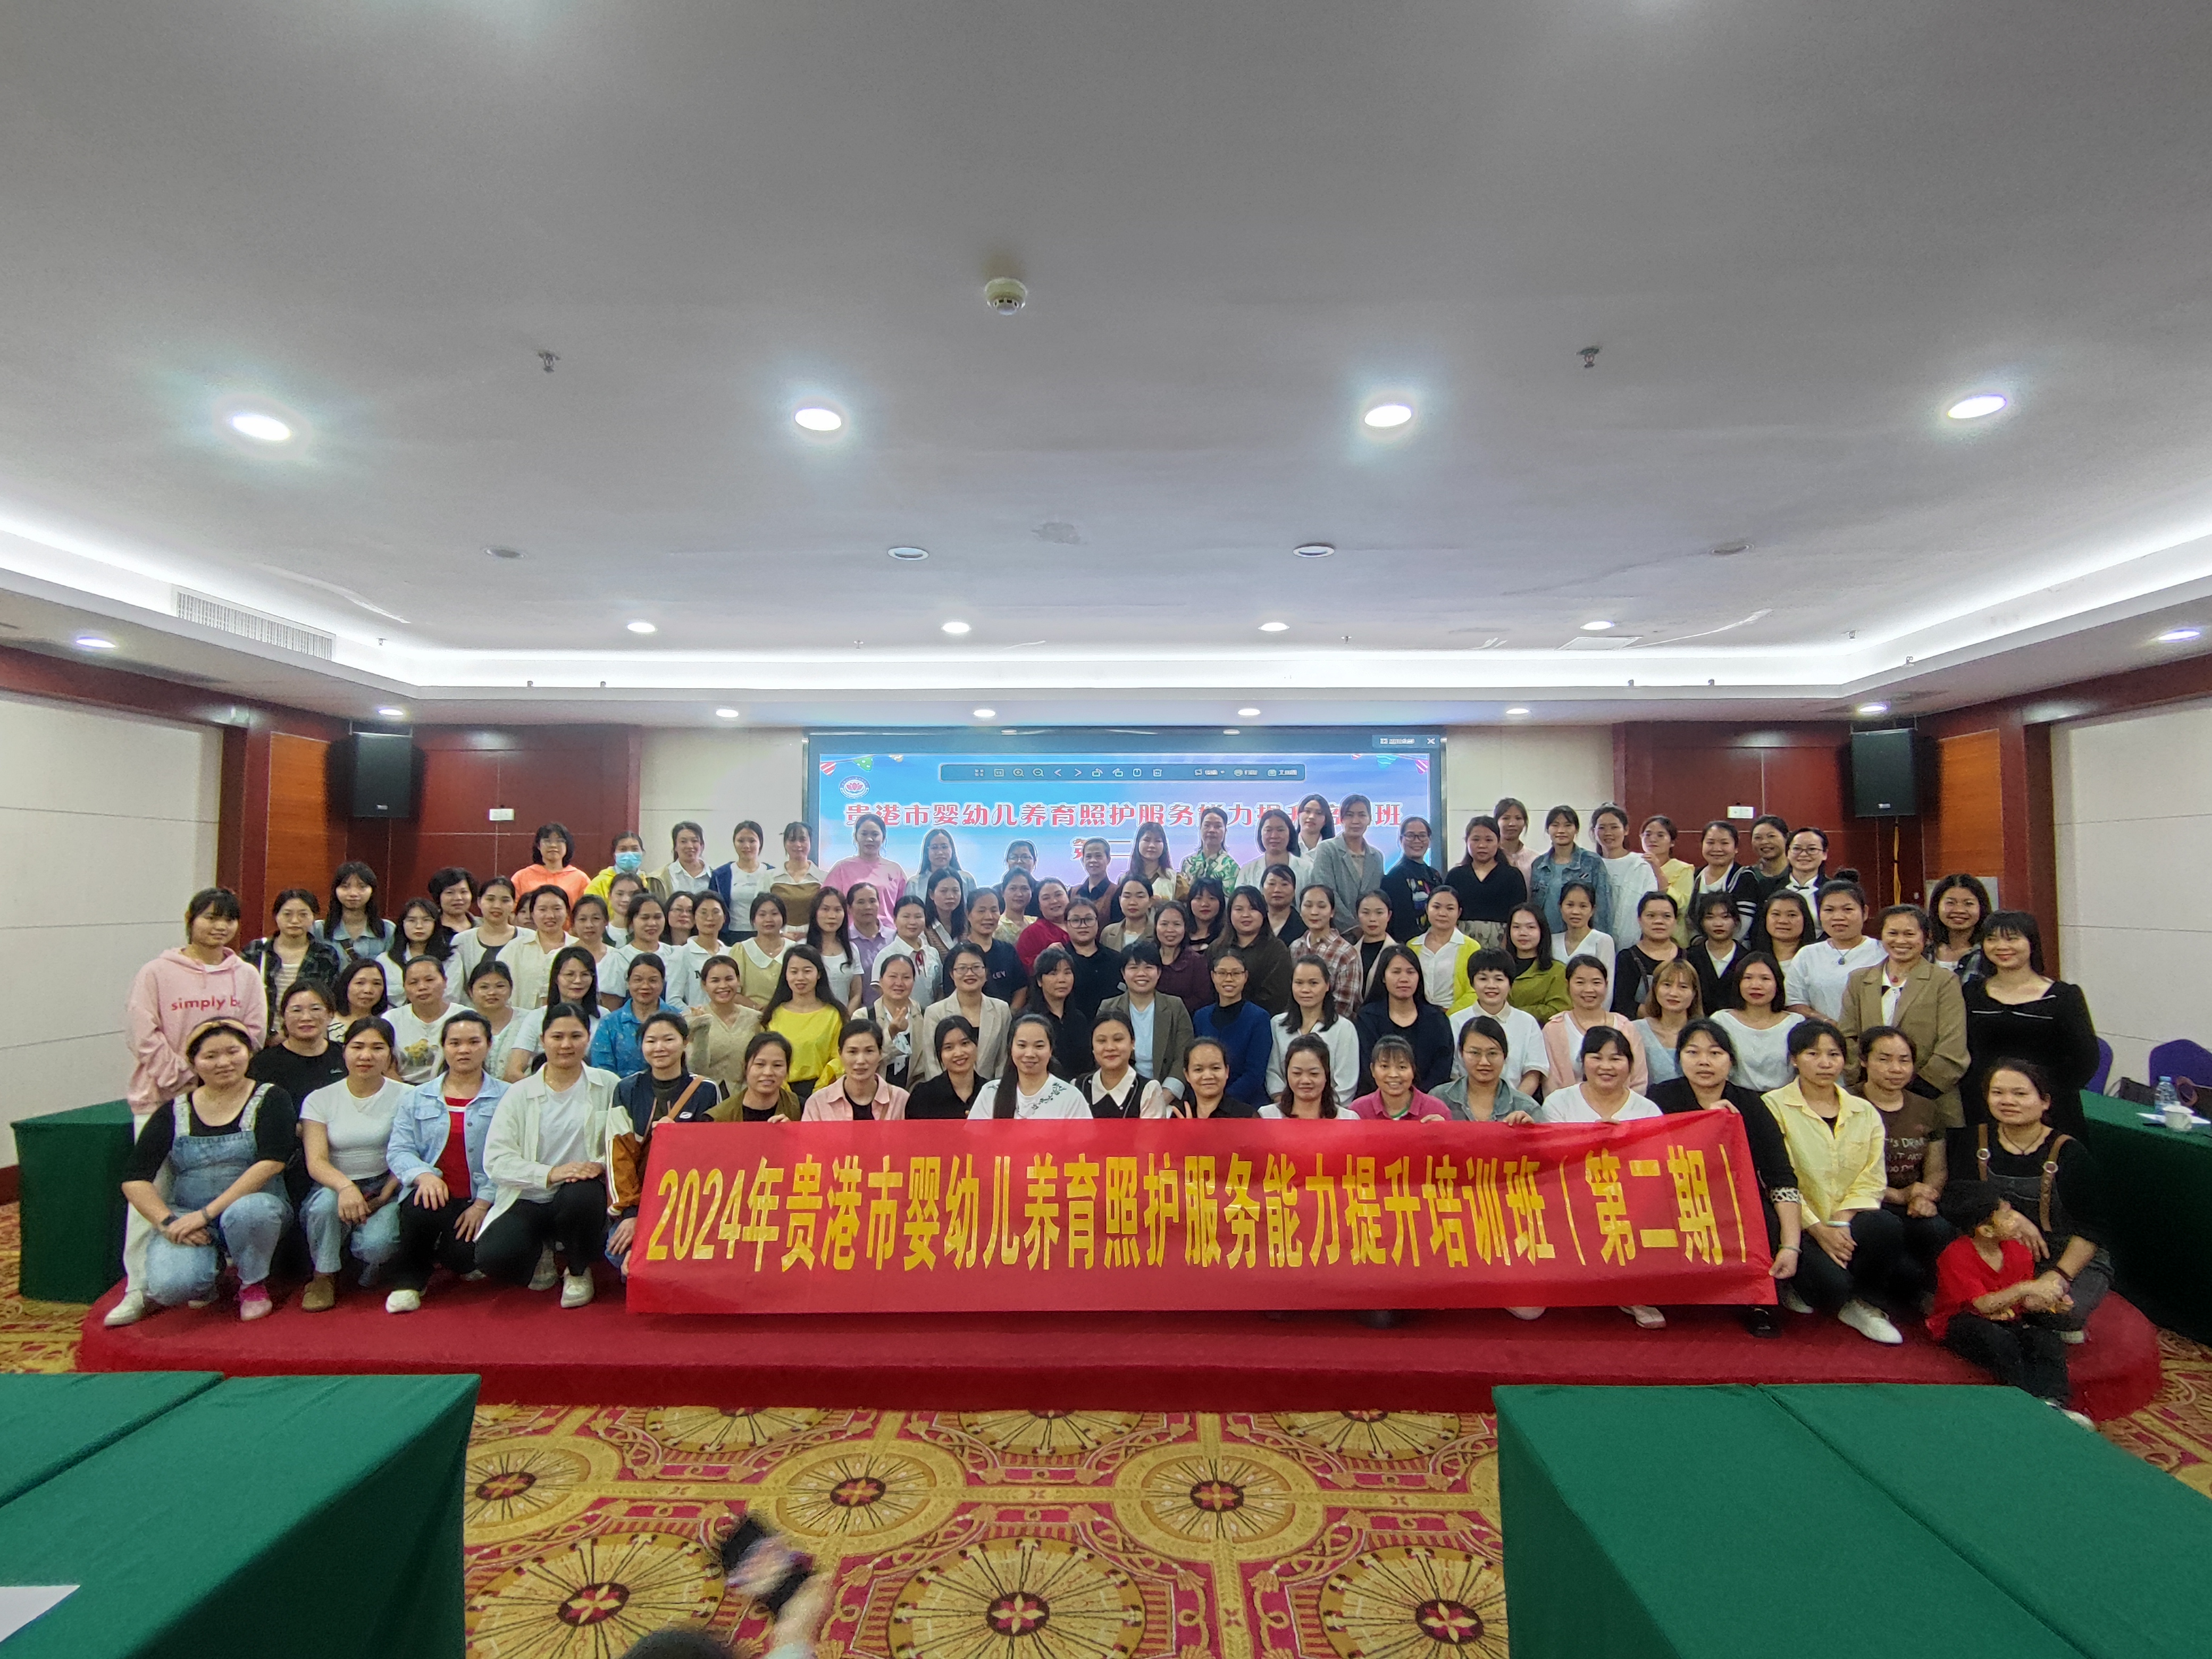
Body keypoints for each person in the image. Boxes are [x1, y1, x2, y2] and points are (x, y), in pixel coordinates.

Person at [116, 1019, 294, 1323]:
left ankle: (252, 1283)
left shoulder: (272, 1098)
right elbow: (135, 1179)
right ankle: (208, 1277)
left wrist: (207, 1214)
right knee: (171, 1287)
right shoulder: (173, 1110)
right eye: (210, 1056)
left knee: (250, 1211)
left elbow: (272, 1162)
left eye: (232, 1052)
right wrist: (167, 1222)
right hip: (189, 1216)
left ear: (249, 1053)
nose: (223, 1063)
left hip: (254, 1211)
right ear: (194, 1063)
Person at [1646, 1018, 1807, 1334]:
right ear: (1679, 1059)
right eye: (1693, 1052)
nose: (1704, 1061)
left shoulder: (1752, 1105)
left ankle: (1758, 1301)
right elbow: (1645, 1161)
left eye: (1715, 1053)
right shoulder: (1659, 1099)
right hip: (1677, 1197)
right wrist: (1706, 1127)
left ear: (1731, 1061)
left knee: (1767, 1221)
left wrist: (1791, 1246)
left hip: (1736, 1201)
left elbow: (1780, 1176)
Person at [1945, 1061, 2110, 1344]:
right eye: (1998, 1093)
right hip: (1992, 1249)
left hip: (2059, 1252)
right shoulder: (1974, 1140)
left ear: (2045, 1101)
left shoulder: (2069, 1153)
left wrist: (2058, 1276)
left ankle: (2023, 1315)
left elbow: (2092, 1228)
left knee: (2060, 1311)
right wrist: (2013, 1216)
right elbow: (1956, 1197)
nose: (2007, 1101)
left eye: (2020, 1094)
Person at [1763, 1019, 1906, 1345]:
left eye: (1833, 1054)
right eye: (1813, 1054)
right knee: (1829, 1288)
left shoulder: (1864, 1111)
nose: (1825, 1063)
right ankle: (1798, 1286)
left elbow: (1873, 1176)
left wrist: (1841, 1222)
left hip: (1847, 1219)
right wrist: (1818, 1229)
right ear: (1794, 1059)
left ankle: (1865, 1304)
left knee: (1886, 1226)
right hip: (1799, 1222)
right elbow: (1776, 1177)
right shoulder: (1773, 1106)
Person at [476, 1002, 618, 1309]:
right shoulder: (518, 1093)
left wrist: (597, 1166)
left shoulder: (609, 1085)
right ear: (542, 1040)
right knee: (493, 1256)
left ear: (588, 1038)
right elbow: (496, 1161)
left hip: (582, 1192)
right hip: (529, 1195)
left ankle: (578, 1270)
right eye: (557, 1037)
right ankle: (542, 1250)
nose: (566, 1045)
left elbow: (623, 1145)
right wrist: (552, 1173)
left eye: (575, 1036)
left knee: (581, 1196)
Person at [1929, 1182, 2087, 1422]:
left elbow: (2026, 1303)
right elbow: (1982, 1305)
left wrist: (2051, 1301)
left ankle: (2055, 1402)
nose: (2016, 1220)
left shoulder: (2017, 1251)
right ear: (1986, 1230)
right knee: (1999, 1341)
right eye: (2007, 1216)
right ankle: (2026, 1399)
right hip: (1963, 1322)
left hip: (2009, 1318)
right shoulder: (1956, 1256)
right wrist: (2025, 1288)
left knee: (2046, 1342)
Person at [381, 1012, 508, 1313]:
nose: (464, 1050)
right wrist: (423, 1175)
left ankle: (456, 1256)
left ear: (489, 1045)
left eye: (474, 1042)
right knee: (419, 1206)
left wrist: (483, 1204)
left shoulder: (508, 1096)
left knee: (465, 1256)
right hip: (435, 1194)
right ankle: (410, 1281)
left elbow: (512, 1155)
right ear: (443, 1047)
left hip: (484, 1198)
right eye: (455, 1043)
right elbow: (399, 1150)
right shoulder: (417, 1097)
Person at [297, 1017, 409, 1309]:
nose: (366, 1056)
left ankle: (366, 1263)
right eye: (357, 1047)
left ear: (390, 1055)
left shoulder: (409, 1096)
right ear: (344, 1051)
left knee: (376, 1245)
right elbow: (316, 1161)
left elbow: (412, 1152)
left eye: (377, 1048)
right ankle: (323, 1276)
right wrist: (346, 1187)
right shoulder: (320, 1099)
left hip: (387, 1185)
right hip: (334, 1184)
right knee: (324, 1205)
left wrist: (386, 1192)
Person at [1961, 910, 2099, 1136]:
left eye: (2012, 939)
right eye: (1992, 939)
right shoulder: (1971, 993)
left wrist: (2037, 1096)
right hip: (1983, 1108)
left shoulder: (2063, 997)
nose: (2002, 946)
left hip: (2050, 1111)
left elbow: (2086, 1060)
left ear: (2032, 943)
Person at [1839, 904, 1971, 1128]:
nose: (1901, 941)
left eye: (1909, 934)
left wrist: (1910, 1091)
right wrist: (1867, 1082)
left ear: (1926, 938)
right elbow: (1848, 1036)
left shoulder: (1944, 981)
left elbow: (1953, 1047)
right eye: (1893, 933)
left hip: (1932, 1098)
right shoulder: (1859, 980)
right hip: (1868, 1099)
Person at [1858, 1023, 1955, 1301]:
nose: (1896, 1069)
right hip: (1866, 1204)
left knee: (1939, 1231)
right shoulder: (1849, 1103)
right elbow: (1844, 1173)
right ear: (1864, 1061)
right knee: (1900, 1264)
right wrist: (1898, 1196)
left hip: (1913, 1202)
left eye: (1904, 1061)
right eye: (1884, 1059)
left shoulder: (1927, 1108)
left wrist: (1925, 1196)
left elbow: (1937, 1168)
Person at [1097, 940, 1194, 1096]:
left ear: (1159, 972)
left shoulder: (1175, 1007)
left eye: (1148, 967)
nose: (1141, 974)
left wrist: (1163, 1097)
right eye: (1133, 968)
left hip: (1166, 1095)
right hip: (1120, 1094)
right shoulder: (1108, 1007)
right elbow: (1102, 1054)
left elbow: (1183, 1056)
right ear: (1123, 973)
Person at [1355, 945, 1454, 1094]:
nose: (1404, 979)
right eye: (1396, 972)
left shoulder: (1437, 1019)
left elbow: (1442, 1069)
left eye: (1411, 972)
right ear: (1383, 977)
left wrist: (1417, 1098)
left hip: (1428, 1100)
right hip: (1379, 1097)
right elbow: (1367, 1068)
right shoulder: (1368, 1018)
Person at [1449, 950, 1548, 1097]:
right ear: (1472, 983)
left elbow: (1533, 1073)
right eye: (1483, 979)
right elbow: (1454, 1073)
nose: (1491, 985)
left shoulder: (1527, 1022)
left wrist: (1513, 1103)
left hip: (1516, 1105)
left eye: (1499, 979)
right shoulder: (1456, 1021)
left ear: (1510, 983)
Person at [1783, 878, 1884, 1020]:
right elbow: (1794, 1002)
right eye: (1829, 910)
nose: (1838, 917)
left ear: (1865, 912)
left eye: (1848, 910)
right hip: (1824, 1032)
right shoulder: (1807, 955)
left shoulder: (1882, 951)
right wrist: (1826, 1022)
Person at [1543, 956, 1649, 1091]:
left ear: (1606, 985)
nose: (1589, 990)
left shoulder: (1625, 1027)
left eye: (1596, 983)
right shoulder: (1554, 1029)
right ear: (1567, 985)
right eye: (1580, 983)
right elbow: (1552, 1083)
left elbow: (1639, 1080)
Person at [911, 943, 1012, 1081]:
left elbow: (1003, 1059)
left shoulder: (1001, 1009)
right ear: (952, 974)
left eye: (976, 967)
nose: (970, 974)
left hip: (990, 1089)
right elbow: (932, 1062)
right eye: (962, 968)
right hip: (946, 1091)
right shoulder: (935, 1013)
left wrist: (993, 1090)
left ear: (986, 972)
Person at [1267, 959, 1361, 1100]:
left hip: (1331, 1110)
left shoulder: (1344, 1029)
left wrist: (1320, 1109)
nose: (1305, 990)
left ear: (1328, 985)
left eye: (1313, 983)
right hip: (1284, 1107)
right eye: (1299, 983)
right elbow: (1273, 1073)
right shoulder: (1277, 1024)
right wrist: (1285, 1105)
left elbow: (1345, 1085)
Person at [504, 948, 603, 1080]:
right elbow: (513, 1072)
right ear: (556, 978)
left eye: (585, 975)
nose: (578, 981)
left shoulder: (604, 1017)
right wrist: (544, 1088)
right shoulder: (537, 1017)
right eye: (570, 974)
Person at [241, 887, 343, 1012]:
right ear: (276, 916)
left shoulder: (325, 955)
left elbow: (331, 999)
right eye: (287, 914)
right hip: (262, 1022)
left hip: (307, 1021)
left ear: (314, 917)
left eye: (303, 915)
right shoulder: (256, 950)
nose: (295, 921)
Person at [1712, 953, 1803, 1091]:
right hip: (1735, 1098)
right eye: (1748, 978)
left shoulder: (1796, 1023)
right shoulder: (1721, 1021)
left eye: (1765, 979)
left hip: (1785, 1098)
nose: (1756, 985)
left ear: (1778, 984)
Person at [973, 1014, 1092, 1118]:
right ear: (1011, 1048)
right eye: (1022, 1046)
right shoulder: (990, 1092)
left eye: (1039, 1046)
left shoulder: (1070, 1097)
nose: (1030, 1054)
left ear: (1051, 1050)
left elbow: (1083, 1138)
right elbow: (974, 1136)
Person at [761, 946, 843, 1099]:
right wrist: (786, 1092)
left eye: (807, 971)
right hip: (779, 1092)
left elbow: (838, 1058)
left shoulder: (833, 1015)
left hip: (823, 1092)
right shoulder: (774, 1014)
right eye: (794, 972)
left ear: (819, 974)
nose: (800, 978)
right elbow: (766, 1057)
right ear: (786, 975)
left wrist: (819, 1091)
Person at [249, 980, 348, 1104]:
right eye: (297, 1010)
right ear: (283, 1016)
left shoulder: (345, 1056)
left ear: (331, 1015)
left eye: (315, 1009)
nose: (306, 1018)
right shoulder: (263, 1063)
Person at [1193, 952, 1272, 1105]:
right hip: (1204, 1101)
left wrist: (1222, 1102)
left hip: (1246, 1104)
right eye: (1222, 973)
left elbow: (1255, 1074)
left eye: (1236, 973)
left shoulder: (1259, 1018)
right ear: (1213, 976)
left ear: (1245, 976)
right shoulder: (1201, 1017)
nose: (1229, 979)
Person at [1435, 1016, 1541, 1122]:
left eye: (1492, 1053)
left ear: (1505, 1055)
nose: (1484, 1062)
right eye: (1475, 1053)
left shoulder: (1527, 1108)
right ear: (1461, 1054)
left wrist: (1530, 1129)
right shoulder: (1439, 1098)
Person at [1527, 805, 1613, 937]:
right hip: (1545, 937)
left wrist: (1600, 940)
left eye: (1568, 825)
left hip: (1581, 937)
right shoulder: (1539, 864)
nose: (1561, 831)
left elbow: (1602, 907)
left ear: (1576, 829)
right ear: (1548, 830)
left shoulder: (1592, 862)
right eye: (1555, 825)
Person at [591, 952, 682, 1076]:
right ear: (628, 983)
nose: (645, 986)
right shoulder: (610, 1023)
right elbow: (602, 1070)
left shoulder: (679, 1018)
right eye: (638, 980)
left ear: (663, 983)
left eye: (653, 980)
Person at [1310, 794, 1386, 940]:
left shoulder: (1377, 857)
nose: (1356, 821)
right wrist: (1353, 927)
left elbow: (1376, 897)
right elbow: (1326, 893)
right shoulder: (1327, 849)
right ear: (1341, 819)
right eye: (1350, 815)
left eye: (1362, 815)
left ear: (1370, 819)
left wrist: (1367, 926)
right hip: (1334, 934)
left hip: (1370, 934)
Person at [1447, 813, 1528, 950]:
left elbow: (1518, 915)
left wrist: (1505, 948)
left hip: (1503, 943)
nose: (1482, 845)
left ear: (1499, 842)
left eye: (1489, 840)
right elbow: (1448, 912)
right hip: (1462, 942)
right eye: (1476, 839)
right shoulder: (1455, 876)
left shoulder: (1513, 876)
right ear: (1466, 841)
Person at [685, 954, 764, 1094]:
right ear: (704, 985)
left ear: (738, 981)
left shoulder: (756, 1019)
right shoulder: (692, 1019)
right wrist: (701, 1027)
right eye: (715, 981)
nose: (723, 986)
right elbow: (694, 1069)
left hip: (746, 1096)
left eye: (729, 979)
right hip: (703, 1096)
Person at [803, 1019, 910, 1120]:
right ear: (840, 1054)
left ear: (880, 1054)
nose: (861, 1061)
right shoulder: (818, 1104)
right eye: (852, 1052)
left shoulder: (901, 1100)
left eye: (869, 1051)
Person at [1211, 886, 1294, 1014]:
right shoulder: (1216, 948)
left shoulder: (1277, 949)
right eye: (1239, 909)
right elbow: (1207, 989)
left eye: (1253, 909)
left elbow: (1277, 997)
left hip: (1261, 1018)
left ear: (1264, 913)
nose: (1246, 915)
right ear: (1229, 913)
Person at [1591, 805, 1661, 947]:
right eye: (1602, 828)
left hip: (1635, 943)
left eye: (1614, 827)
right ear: (1594, 832)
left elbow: (1651, 906)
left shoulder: (1641, 864)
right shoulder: (1590, 864)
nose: (1608, 833)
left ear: (1626, 830)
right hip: (1595, 943)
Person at [386, 954, 460, 1085]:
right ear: (404, 987)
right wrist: (407, 1093)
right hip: (402, 1087)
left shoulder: (464, 1017)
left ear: (445, 981)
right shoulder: (391, 1019)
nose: (422, 987)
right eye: (413, 983)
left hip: (452, 1087)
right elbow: (387, 1068)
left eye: (429, 980)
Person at [1288, 884, 1361, 1014]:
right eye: (1308, 906)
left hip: (1332, 1023)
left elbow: (1344, 1005)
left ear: (1332, 912)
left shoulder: (1346, 953)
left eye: (1322, 906)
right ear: (1300, 910)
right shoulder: (1295, 947)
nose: (1314, 912)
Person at [1345, 1033, 1453, 1121]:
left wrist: (1441, 1131)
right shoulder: (1358, 1111)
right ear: (1373, 1070)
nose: (1393, 1075)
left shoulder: (1436, 1110)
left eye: (1402, 1067)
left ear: (1413, 1070)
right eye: (1385, 1066)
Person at [1145, 1035, 1258, 1118]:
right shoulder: (1180, 1115)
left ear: (1227, 1071)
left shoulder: (1245, 1115)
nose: (1208, 1076)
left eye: (1215, 1068)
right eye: (1199, 1070)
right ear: (1187, 1075)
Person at [1024, 946, 1095, 1078]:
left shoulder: (1079, 1019)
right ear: (1039, 981)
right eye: (1053, 973)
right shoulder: (1028, 1020)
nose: (1062, 979)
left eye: (1067, 973)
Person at [1408, 883, 1479, 1012]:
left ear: (1459, 912)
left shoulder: (1471, 947)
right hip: (1417, 1015)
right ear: (1427, 909)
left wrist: (1450, 1015)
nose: (1442, 913)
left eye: (1450, 908)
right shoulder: (1412, 946)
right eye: (1436, 907)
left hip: (1457, 1016)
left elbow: (1475, 990)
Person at [506, 885, 578, 1010]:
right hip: (522, 1019)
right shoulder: (514, 949)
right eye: (542, 909)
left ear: (567, 912)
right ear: (532, 914)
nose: (550, 915)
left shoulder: (578, 947)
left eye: (557, 909)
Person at [1632, 959, 1702, 1089]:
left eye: (1683, 987)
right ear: (1655, 989)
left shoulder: (1705, 1034)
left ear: (1694, 994)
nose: (1673, 993)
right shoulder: (1634, 1030)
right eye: (1667, 985)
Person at [1611, 892, 1682, 1017]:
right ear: (1639, 920)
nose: (1659, 921)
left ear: (1675, 921)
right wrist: (1661, 1017)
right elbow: (1623, 1004)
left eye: (1667, 916)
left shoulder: (1690, 957)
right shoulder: (1627, 959)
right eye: (1651, 916)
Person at [446, 877, 520, 996]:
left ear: (514, 904)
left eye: (505, 900)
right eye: (490, 899)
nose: (497, 906)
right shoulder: (461, 941)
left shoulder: (530, 939)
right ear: (479, 902)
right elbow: (455, 987)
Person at [959, 886, 1028, 1008]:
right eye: (981, 911)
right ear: (968, 914)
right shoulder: (958, 955)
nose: (989, 917)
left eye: (994, 910)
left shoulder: (1008, 951)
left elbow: (1021, 989)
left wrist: (1009, 1014)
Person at [905, 1018, 986, 1120]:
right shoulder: (923, 1095)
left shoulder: (991, 1091)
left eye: (965, 1043)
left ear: (976, 1045)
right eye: (949, 1047)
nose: (959, 1053)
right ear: (940, 1054)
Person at [1380, 816, 1446, 940]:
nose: (1417, 841)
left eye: (1422, 836)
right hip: (1409, 944)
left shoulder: (1434, 875)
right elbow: (1398, 925)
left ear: (1429, 839)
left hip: (1436, 941)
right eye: (1410, 836)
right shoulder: (1395, 877)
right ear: (1401, 839)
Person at [1549, 879, 1615, 1003]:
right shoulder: (1552, 941)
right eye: (1570, 905)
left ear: (1593, 910)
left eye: (1583, 906)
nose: (1576, 912)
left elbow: (1607, 987)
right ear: (1560, 907)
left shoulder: (1603, 941)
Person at [318, 861, 396, 966]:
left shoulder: (388, 930)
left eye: (362, 887)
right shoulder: (319, 930)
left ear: (372, 891)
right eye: (345, 887)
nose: (353, 894)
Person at [464, 959, 529, 1084]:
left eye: (500, 986)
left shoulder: (529, 1020)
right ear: (470, 992)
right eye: (484, 987)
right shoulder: (461, 1024)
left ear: (511, 989)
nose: (492, 993)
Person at [1683, 891, 1746, 1016]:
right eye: (1710, 917)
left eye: (1725, 917)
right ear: (1701, 922)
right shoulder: (1689, 957)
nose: (1718, 924)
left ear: (1736, 921)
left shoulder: (1748, 959)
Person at [1262, 1033, 1349, 1121]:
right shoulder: (1267, 1117)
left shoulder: (1348, 1119)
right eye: (1297, 1073)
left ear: (1326, 1075)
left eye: (1314, 1074)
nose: (1305, 1081)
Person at [874, 894, 944, 1004]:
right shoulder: (886, 955)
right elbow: (881, 991)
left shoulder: (932, 953)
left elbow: (940, 988)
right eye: (906, 917)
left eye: (918, 917)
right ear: (895, 921)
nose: (913, 922)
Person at [1637, 814, 1697, 943]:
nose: (1653, 839)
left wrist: (1657, 870)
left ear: (1672, 842)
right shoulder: (1636, 866)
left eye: (1660, 835)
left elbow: (1683, 906)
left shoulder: (1683, 869)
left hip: (1673, 938)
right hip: (1638, 934)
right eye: (1648, 835)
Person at [1503, 904, 1568, 1023]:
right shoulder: (1498, 966)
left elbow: (1558, 1009)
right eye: (1516, 927)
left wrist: (1515, 1013)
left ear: (1542, 931)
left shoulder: (1557, 971)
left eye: (1531, 927)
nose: (1523, 933)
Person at [710, 819, 774, 938]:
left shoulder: (772, 874)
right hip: (731, 936)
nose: (746, 846)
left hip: (767, 934)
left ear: (760, 843)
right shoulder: (720, 875)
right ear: (734, 843)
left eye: (752, 841)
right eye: (741, 841)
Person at [666, 892, 730, 1007]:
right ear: (694, 918)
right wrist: (694, 1014)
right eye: (703, 913)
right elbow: (673, 1000)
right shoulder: (682, 954)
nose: (710, 918)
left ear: (724, 917)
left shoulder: (732, 953)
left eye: (716, 912)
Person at [866, 951, 920, 1086]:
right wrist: (891, 1033)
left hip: (916, 1092)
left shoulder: (924, 1016)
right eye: (893, 977)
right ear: (880, 981)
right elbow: (862, 1060)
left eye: (906, 977)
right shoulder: (864, 1017)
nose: (899, 983)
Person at [1930, 873, 1995, 982]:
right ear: (1937, 906)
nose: (1959, 910)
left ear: (1982, 908)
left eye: (1969, 904)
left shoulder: (1990, 954)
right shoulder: (1924, 952)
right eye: (1950, 903)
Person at [509, 824, 591, 907]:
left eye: (559, 841)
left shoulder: (580, 879)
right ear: (538, 846)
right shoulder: (521, 877)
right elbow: (512, 909)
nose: (553, 845)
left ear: (567, 846)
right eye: (547, 841)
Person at [806, 887, 861, 1011]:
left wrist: (845, 1017)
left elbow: (856, 993)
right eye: (825, 909)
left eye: (838, 910)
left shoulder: (852, 949)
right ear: (815, 913)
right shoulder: (802, 948)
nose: (832, 916)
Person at [1149, 900, 1210, 1010]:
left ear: (1185, 928)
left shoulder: (1197, 962)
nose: (1170, 930)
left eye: (1177, 924)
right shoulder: (1146, 957)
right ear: (1155, 926)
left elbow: (1203, 999)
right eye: (1164, 924)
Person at [730, 1032, 802, 1123]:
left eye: (777, 1065)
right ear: (745, 1066)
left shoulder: (801, 1109)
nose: (768, 1073)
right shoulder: (720, 1116)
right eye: (760, 1064)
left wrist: (794, 1130)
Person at [736, 894, 793, 1007]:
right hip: (751, 1013)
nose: (769, 920)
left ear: (783, 918)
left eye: (774, 914)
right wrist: (757, 1008)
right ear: (754, 920)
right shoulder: (741, 950)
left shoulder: (794, 949)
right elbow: (733, 992)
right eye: (762, 915)